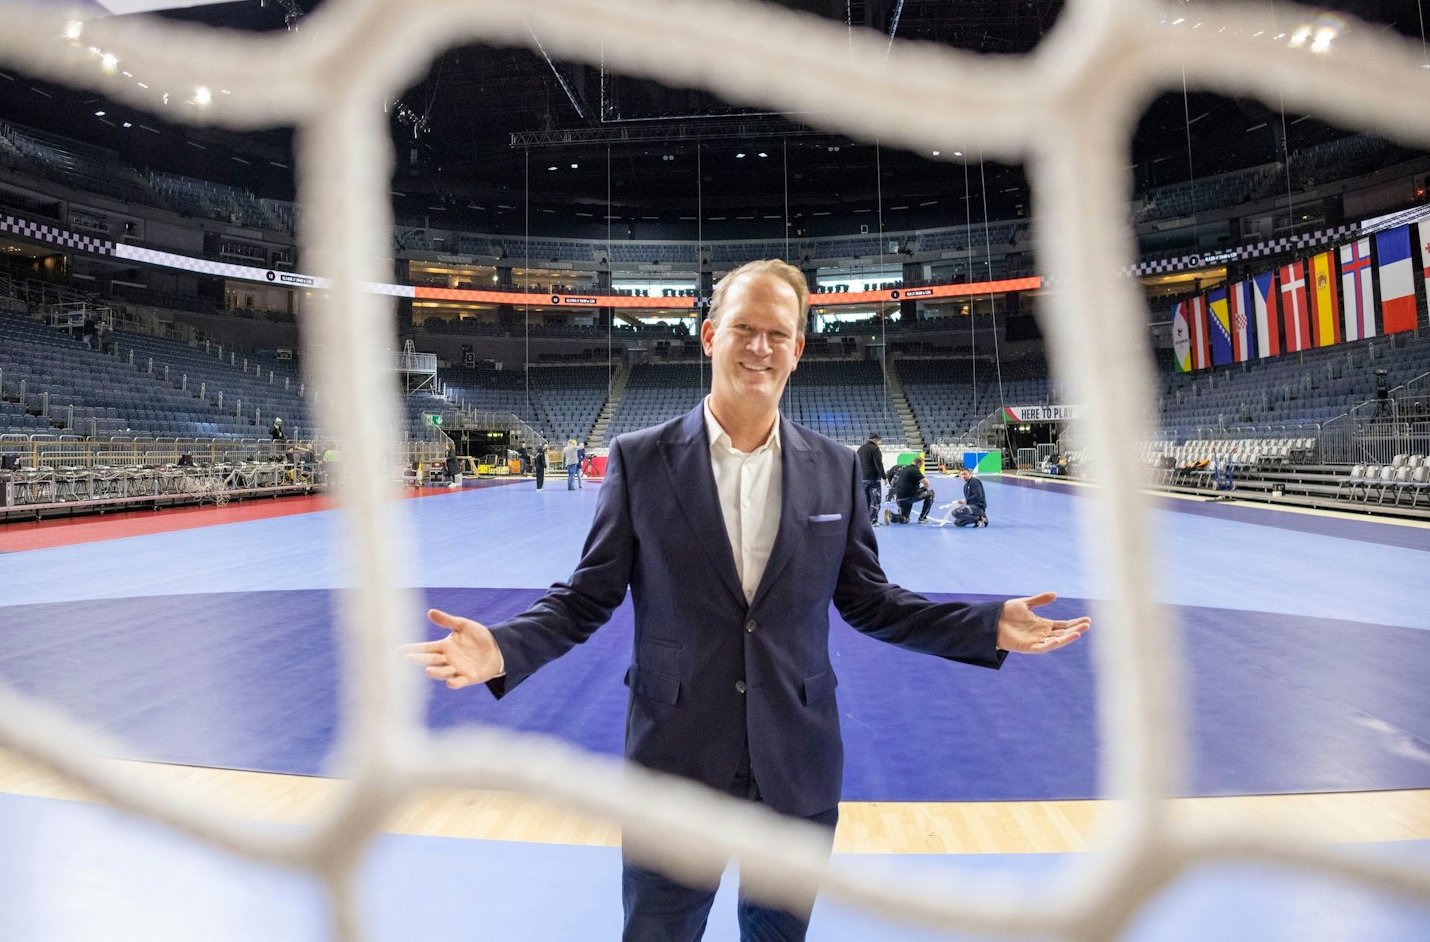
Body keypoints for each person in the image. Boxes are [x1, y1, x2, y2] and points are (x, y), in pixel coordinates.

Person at [403, 259, 1088, 942]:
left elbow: (872, 600)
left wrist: (987, 625)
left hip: (797, 762)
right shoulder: (641, 460)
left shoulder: (836, 467)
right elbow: (587, 597)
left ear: (798, 348)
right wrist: (500, 647)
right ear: (709, 336)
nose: (759, 346)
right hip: (674, 763)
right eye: (743, 328)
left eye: (776, 332)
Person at [887, 455, 935, 524]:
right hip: (909, 497)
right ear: (919, 464)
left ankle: (891, 516)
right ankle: (922, 518)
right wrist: (925, 489)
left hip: (900, 498)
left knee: (905, 519)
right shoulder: (914, 470)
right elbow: (927, 483)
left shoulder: (904, 468)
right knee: (931, 493)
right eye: (921, 465)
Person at [855, 433, 885, 525]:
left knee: (865, 499)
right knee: (876, 499)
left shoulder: (860, 449)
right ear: (875, 440)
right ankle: (873, 520)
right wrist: (884, 477)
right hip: (873, 478)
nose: (880, 442)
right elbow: (878, 464)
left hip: (862, 478)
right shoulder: (875, 449)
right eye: (879, 440)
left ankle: (865, 520)